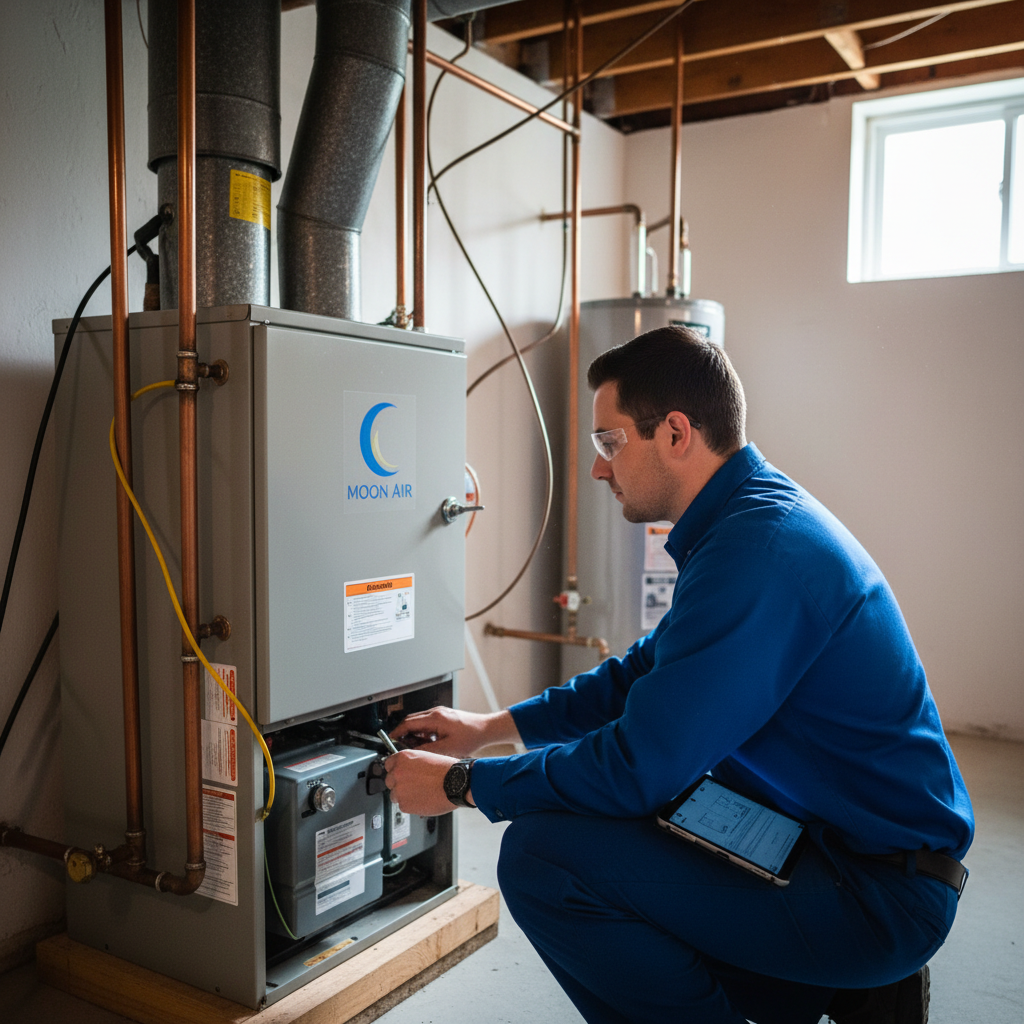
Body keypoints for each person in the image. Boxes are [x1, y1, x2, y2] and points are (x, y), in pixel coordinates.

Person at [384, 326, 973, 1024]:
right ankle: (835, 988)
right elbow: (643, 673)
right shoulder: (747, 524)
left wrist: (461, 785)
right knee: (640, 815)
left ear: (674, 433)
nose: (599, 469)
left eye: (610, 443)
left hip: (874, 891)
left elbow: (637, 765)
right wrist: (491, 728)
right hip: (832, 845)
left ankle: (847, 974)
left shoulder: (760, 556)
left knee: (548, 859)